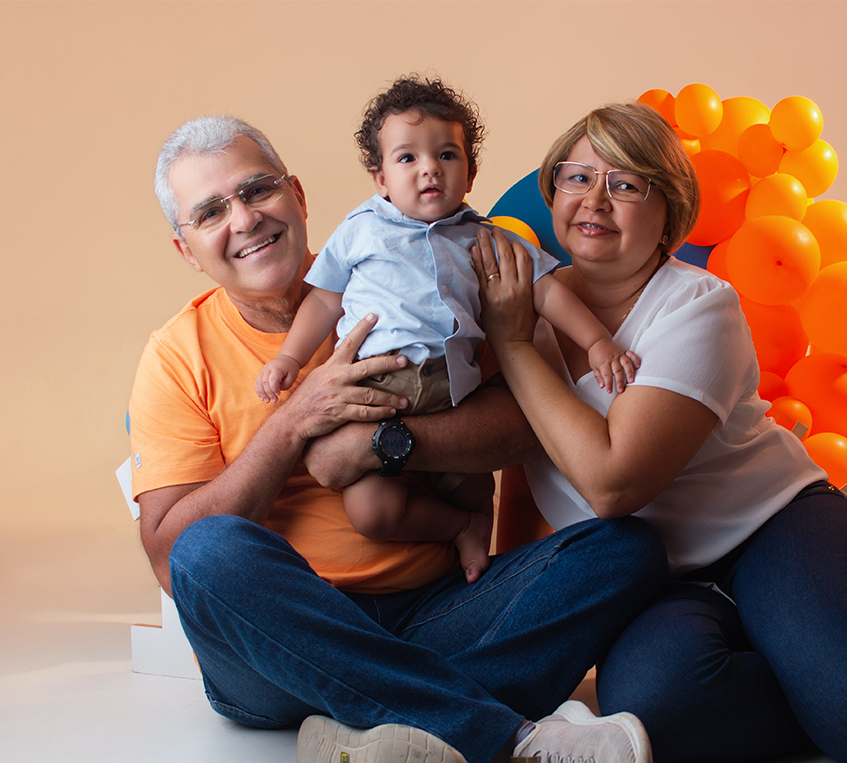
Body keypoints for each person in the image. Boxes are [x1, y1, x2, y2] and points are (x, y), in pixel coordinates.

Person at [471, 101, 847, 763]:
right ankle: (833, 682)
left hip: (776, 531)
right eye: (577, 177)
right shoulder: (521, 306)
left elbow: (614, 485)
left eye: (626, 184)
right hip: (661, 581)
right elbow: (527, 471)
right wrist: (519, 610)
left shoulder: (696, 305)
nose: (594, 200)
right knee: (656, 712)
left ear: (669, 212)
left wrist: (514, 346)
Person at [129, 113, 670, 763]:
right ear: (186, 249)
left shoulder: (420, 262)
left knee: (627, 548)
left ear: (296, 194)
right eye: (210, 212)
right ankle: (511, 742)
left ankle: (363, 734)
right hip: (279, 646)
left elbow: (522, 423)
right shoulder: (176, 356)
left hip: (436, 612)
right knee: (207, 551)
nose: (245, 219)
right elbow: (170, 557)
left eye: (257, 190)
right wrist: (294, 423)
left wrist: (383, 443)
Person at [256, 76, 638, 582]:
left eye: (447, 155)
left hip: (455, 394)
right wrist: (289, 357)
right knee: (373, 513)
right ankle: (459, 528)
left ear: (470, 173)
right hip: (376, 391)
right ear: (381, 179)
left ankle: (476, 539)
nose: (429, 168)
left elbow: (547, 292)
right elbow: (324, 300)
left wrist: (597, 341)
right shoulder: (361, 230)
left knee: (475, 486)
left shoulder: (486, 239)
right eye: (407, 158)